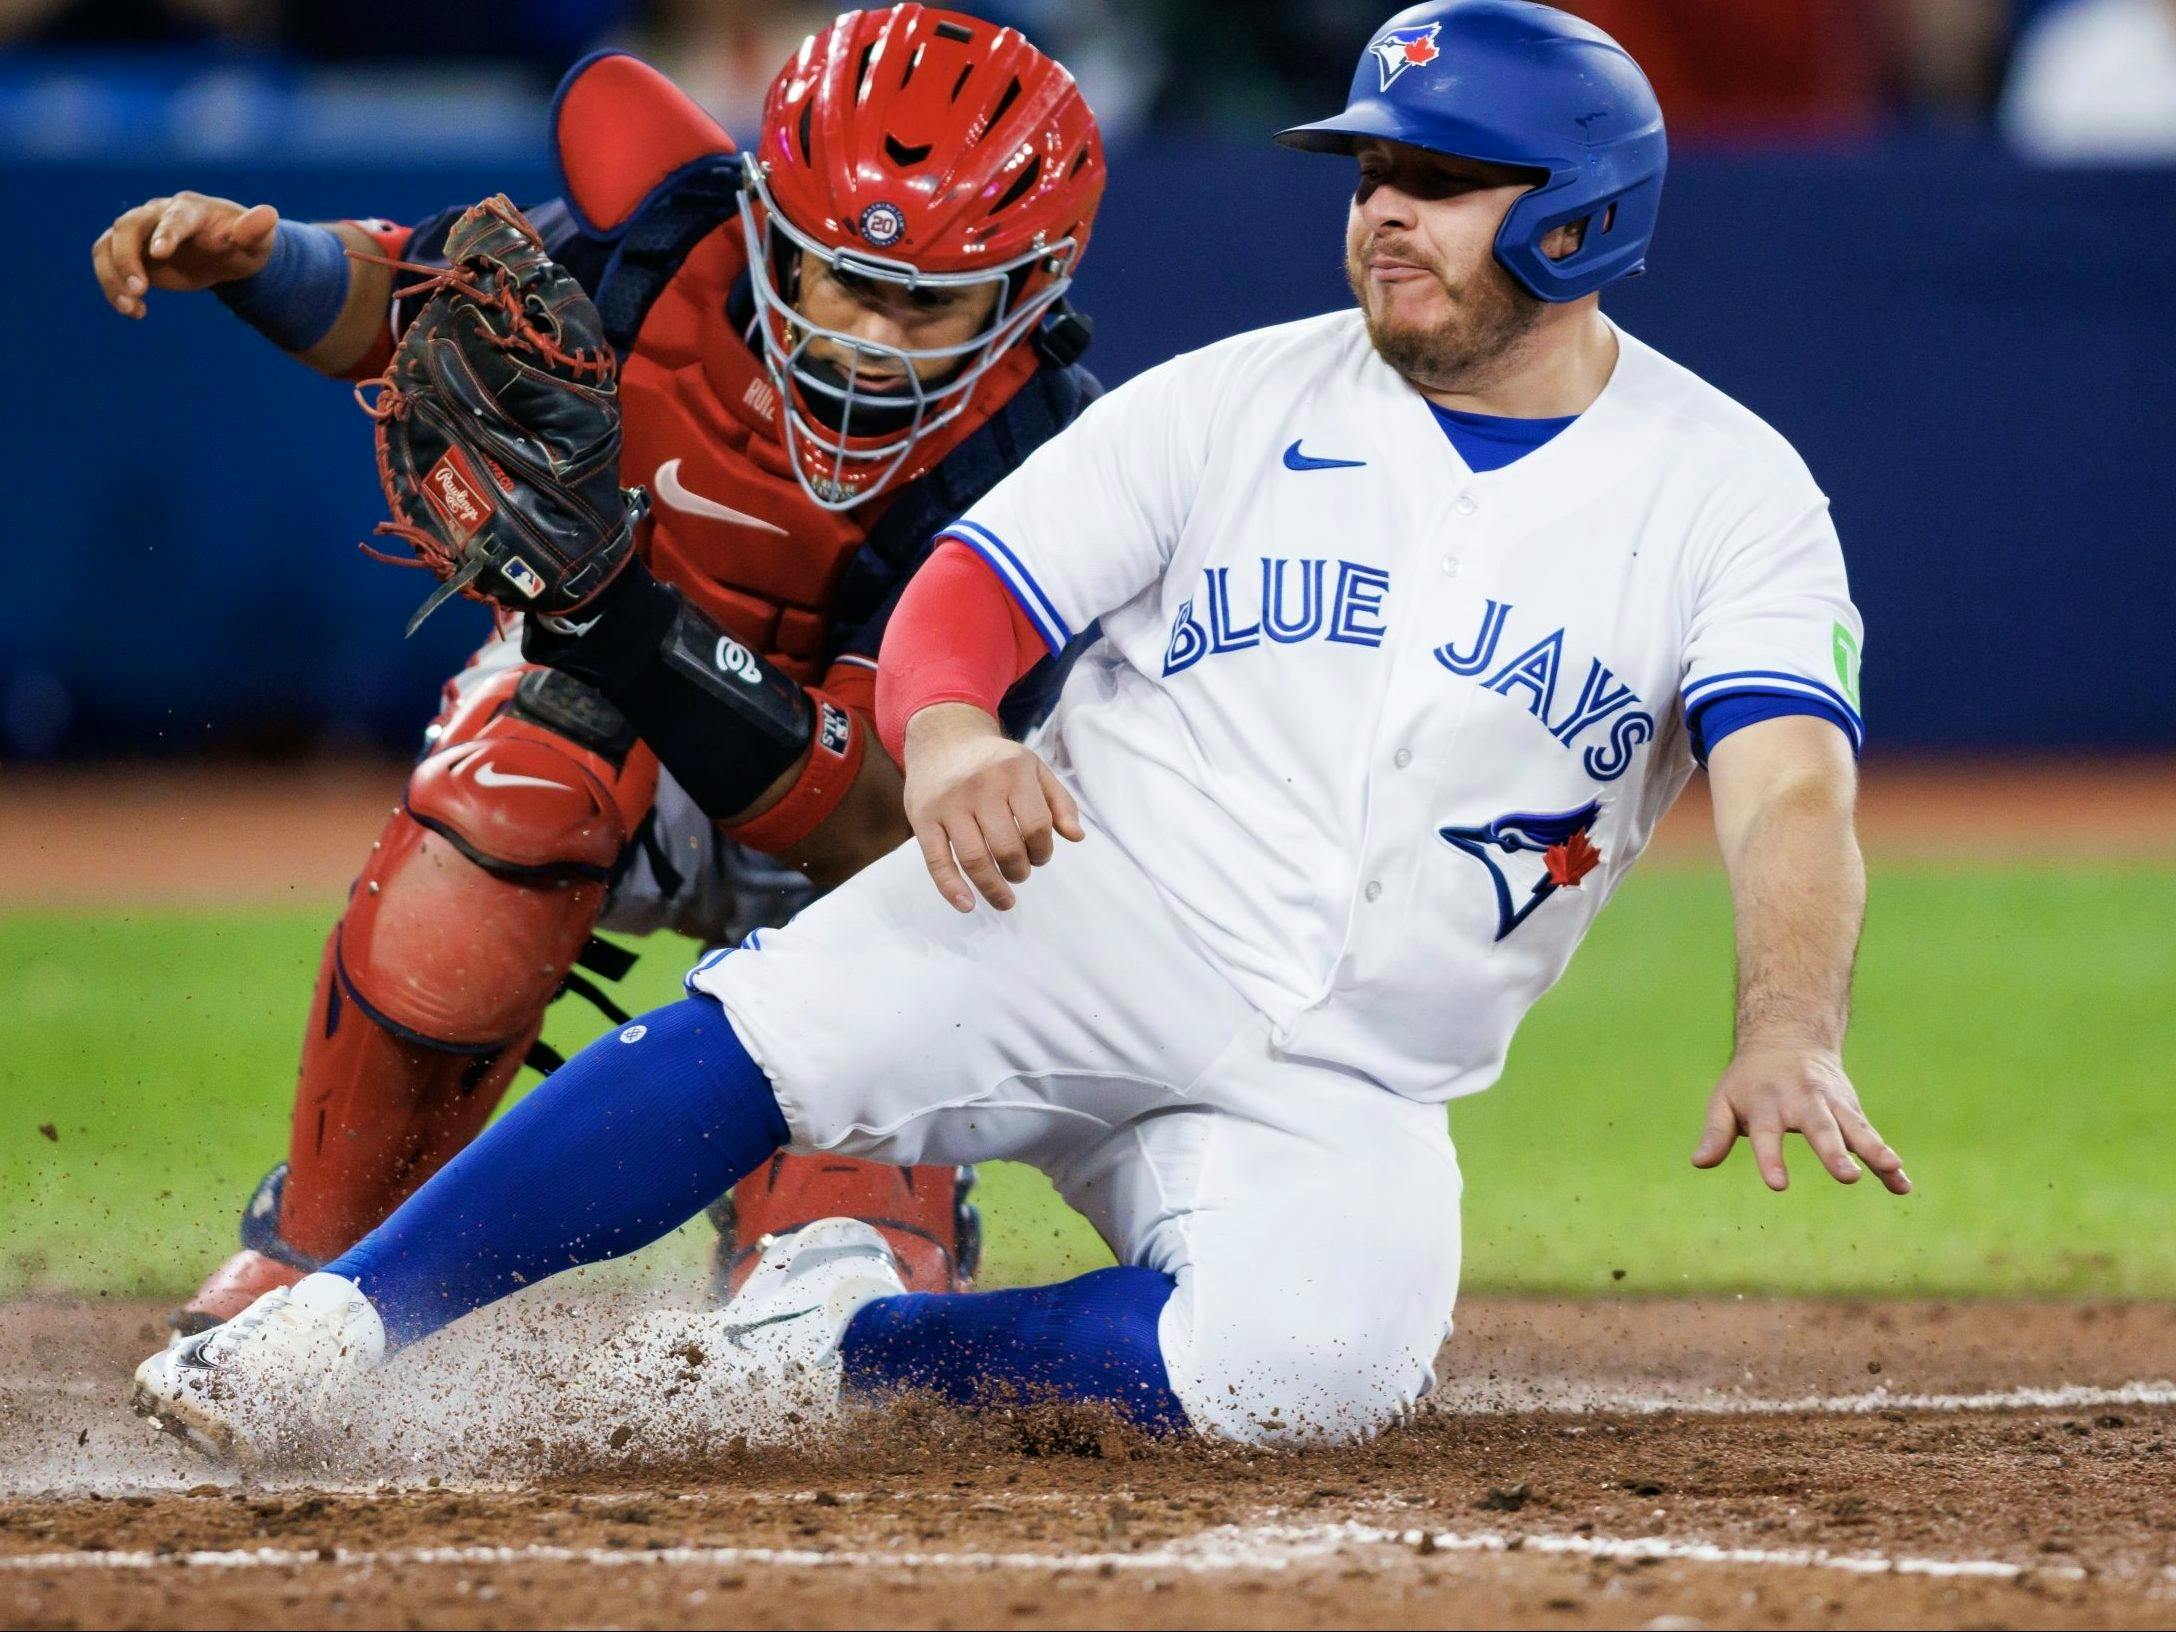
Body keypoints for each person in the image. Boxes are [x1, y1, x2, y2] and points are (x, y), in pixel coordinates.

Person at [135, 0, 1910, 1459]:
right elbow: (975, 593)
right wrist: (963, 736)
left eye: (1439, 180)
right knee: (769, 1028)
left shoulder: (1727, 494)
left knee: (1307, 1375)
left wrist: (1790, 1030)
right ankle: (321, 1331)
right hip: (1088, 917)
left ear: (1581, 217)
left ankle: (840, 1358)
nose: (1382, 208)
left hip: (1354, 1071)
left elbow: (1788, 786)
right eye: (1371, 168)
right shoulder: (1238, 399)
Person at [89, 6, 1106, 1328]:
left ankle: (849, 1230)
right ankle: (324, 1249)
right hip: (606, 728)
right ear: (763, 226)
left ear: (1028, 292)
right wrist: (258, 259)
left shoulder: (1053, 455)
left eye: (926, 304)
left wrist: (622, 614)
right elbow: (417, 300)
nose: (866, 334)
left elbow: (870, 825)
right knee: (512, 787)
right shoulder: (659, 256)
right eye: (837, 277)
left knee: (839, 1281)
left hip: (858, 817)